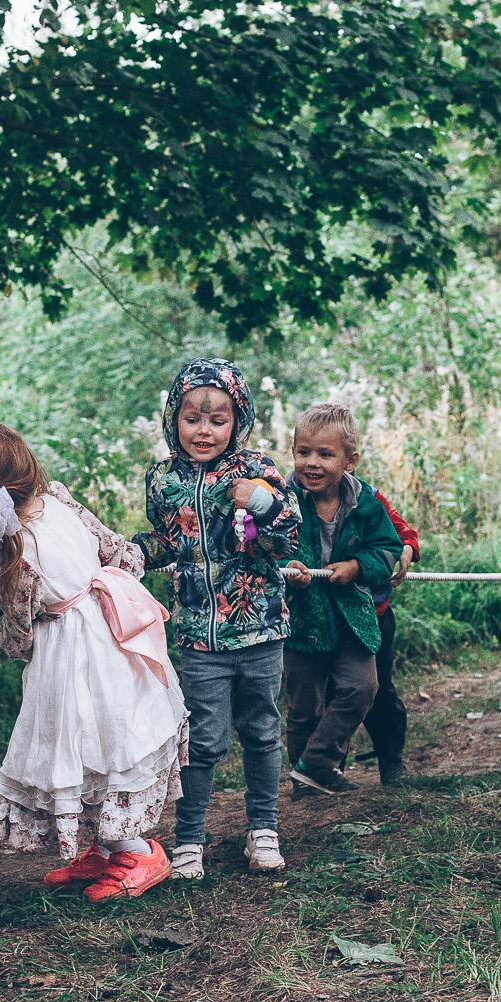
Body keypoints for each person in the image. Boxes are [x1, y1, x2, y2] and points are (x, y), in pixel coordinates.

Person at [0, 422, 187, 903]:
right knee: (105, 739)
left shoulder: (7, 561)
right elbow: (121, 554)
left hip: (67, 659)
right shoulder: (59, 500)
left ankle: (138, 852)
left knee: (82, 744)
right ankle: (105, 848)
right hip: (110, 638)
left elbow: (17, 638)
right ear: (27, 467)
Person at [133, 359, 301, 878]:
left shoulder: (256, 471)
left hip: (260, 630)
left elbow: (286, 540)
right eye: (192, 417)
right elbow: (170, 542)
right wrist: (133, 554)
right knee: (203, 741)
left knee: (261, 731)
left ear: (238, 420)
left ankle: (263, 830)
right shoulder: (163, 480)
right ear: (173, 419)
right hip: (199, 640)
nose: (204, 430)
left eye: (218, 419)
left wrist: (264, 503)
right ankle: (189, 840)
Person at [280, 404, 407, 796]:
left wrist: (356, 565)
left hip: (352, 616)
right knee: (304, 706)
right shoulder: (280, 501)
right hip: (302, 619)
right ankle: (307, 781)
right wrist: (288, 568)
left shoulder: (366, 501)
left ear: (350, 460)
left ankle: (317, 763)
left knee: (362, 687)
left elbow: (388, 547)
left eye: (325, 454)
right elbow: (259, 546)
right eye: (304, 452)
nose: (312, 463)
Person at [354, 486, 419, 785]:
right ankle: (320, 770)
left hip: (373, 614)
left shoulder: (368, 497)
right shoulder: (293, 496)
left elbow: (405, 533)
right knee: (321, 696)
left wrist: (406, 549)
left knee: (379, 690)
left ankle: (390, 759)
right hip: (318, 619)